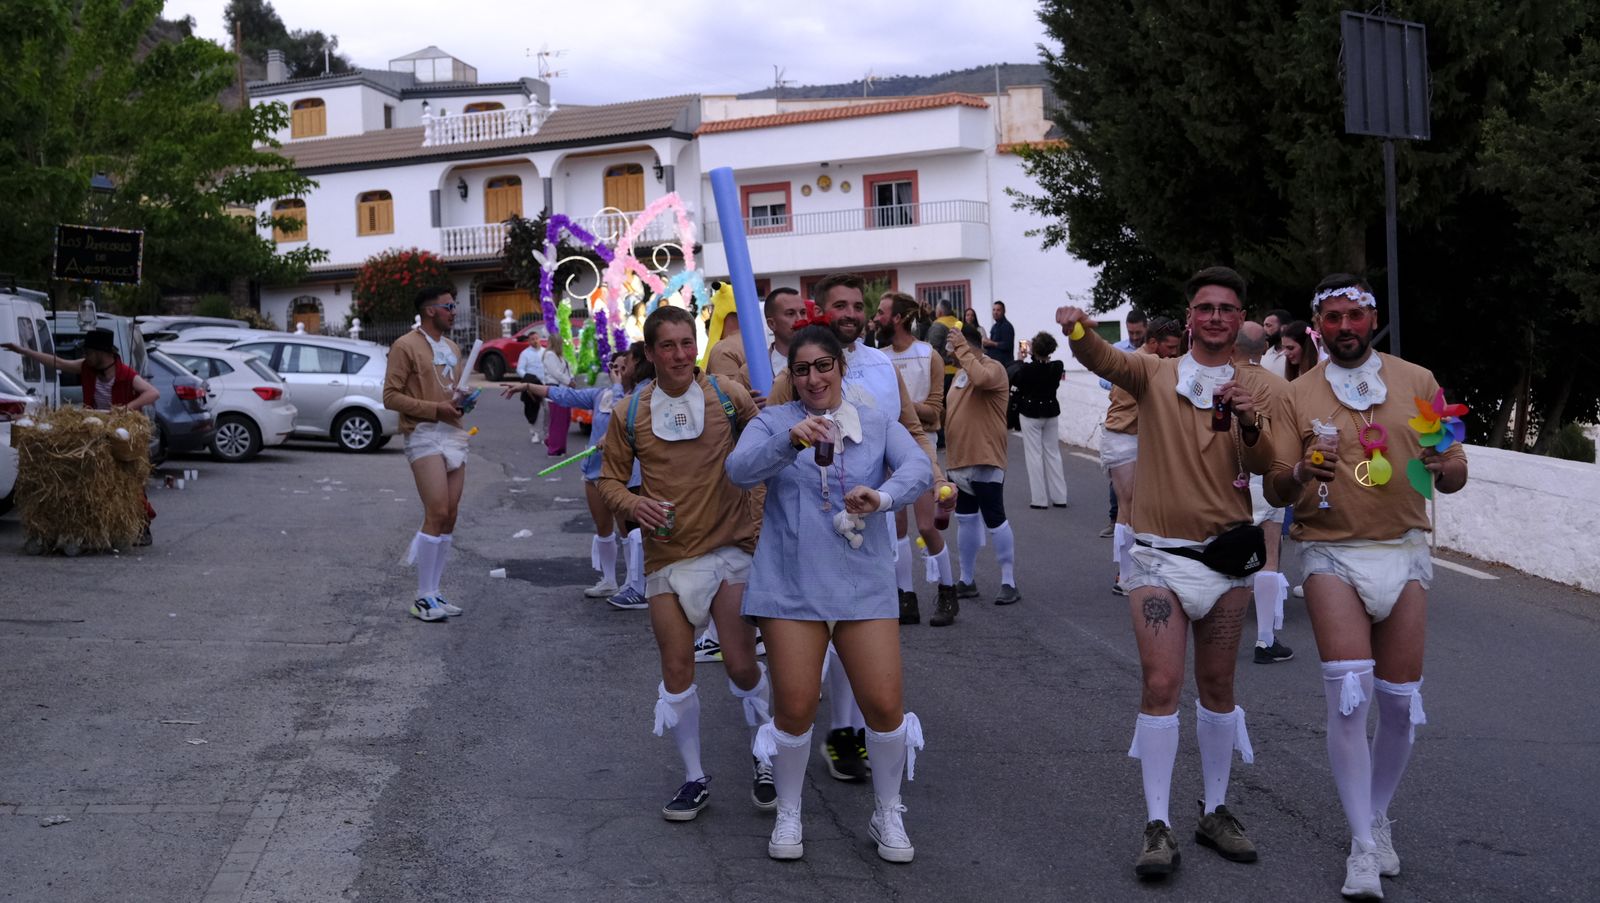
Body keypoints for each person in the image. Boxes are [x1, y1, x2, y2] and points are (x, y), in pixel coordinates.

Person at [1058, 266, 1274, 879]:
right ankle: (1158, 825)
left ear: (1239, 319)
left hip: (1226, 560)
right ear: (1189, 316)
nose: (1213, 317)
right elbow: (1104, 359)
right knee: (1161, 686)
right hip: (1157, 556)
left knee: (1219, 689)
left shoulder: (1257, 385)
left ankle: (1215, 810)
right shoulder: (1155, 373)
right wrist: (1077, 331)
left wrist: (1249, 418)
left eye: (1226, 309)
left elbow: (1266, 464)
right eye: (1203, 307)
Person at [1263, 275, 1468, 900]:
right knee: (1350, 699)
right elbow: (1274, 486)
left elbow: (1455, 470)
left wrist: (1445, 465)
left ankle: (1377, 818)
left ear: (1370, 318)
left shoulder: (1417, 380)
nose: (1344, 328)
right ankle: (1360, 846)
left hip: (1404, 553)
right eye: (1332, 319)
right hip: (1331, 552)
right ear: (1316, 325)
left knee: (1401, 706)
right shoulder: (1296, 395)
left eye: (1354, 316)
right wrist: (1299, 470)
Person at [727, 324, 932, 863]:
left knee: (885, 706)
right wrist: (789, 440)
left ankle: (888, 810)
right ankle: (790, 812)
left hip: (863, 583)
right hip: (790, 583)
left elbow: (917, 469)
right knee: (794, 708)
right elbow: (739, 472)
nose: (814, 378)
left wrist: (883, 498)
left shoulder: (875, 420)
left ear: (841, 366)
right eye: (801, 369)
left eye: (823, 366)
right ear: (790, 377)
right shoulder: (773, 420)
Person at [766, 274, 955, 771]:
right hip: (810, 529)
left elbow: (909, 432)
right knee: (819, 635)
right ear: (821, 313)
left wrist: (935, 481)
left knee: (859, 632)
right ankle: (825, 733)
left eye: (856, 306)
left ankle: (852, 729)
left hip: (876, 514)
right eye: (839, 306)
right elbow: (770, 442)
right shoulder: (798, 373)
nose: (849, 313)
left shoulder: (881, 366)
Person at [595, 305, 774, 821]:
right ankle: (694, 777)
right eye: (667, 346)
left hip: (729, 549)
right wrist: (633, 505)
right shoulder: (629, 412)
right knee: (677, 672)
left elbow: (765, 450)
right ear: (649, 354)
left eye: (685, 342)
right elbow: (608, 481)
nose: (679, 354)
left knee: (741, 666)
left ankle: (767, 753)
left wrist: (757, 523)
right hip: (666, 559)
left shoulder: (727, 394)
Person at [505, 344, 655, 607]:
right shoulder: (602, 395)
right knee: (603, 527)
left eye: (624, 366)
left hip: (625, 475)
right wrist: (528, 387)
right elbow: (564, 395)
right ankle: (610, 579)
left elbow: (624, 418)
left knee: (629, 530)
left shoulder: (643, 394)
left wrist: (619, 388)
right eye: (615, 368)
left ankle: (636, 584)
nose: (618, 372)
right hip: (595, 471)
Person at [4, 327, 160, 545]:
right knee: (93, 481)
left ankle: (143, 527)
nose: (85, 355)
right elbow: (56, 361)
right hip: (95, 430)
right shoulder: (86, 367)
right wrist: (23, 351)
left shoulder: (126, 374)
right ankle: (93, 527)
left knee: (131, 483)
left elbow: (153, 393)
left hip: (120, 433)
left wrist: (126, 409)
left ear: (101, 353)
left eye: (88, 351)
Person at [382, 287, 471, 622]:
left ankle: (434, 591)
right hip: (422, 434)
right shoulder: (405, 346)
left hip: (454, 434)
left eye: (454, 305)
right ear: (430, 310)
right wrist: (436, 409)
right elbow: (390, 396)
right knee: (436, 510)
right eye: (449, 306)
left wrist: (464, 400)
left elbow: (453, 391)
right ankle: (421, 597)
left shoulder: (452, 347)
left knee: (451, 514)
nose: (454, 311)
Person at [872, 292, 957, 626]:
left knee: (925, 524)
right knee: (897, 526)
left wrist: (900, 407)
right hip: (886, 447)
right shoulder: (876, 358)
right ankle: (905, 596)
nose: (874, 318)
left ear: (898, 319)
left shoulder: (928, 355)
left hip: (920, 444)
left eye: (880, 312)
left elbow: (935, 411)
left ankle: (948, 591)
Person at [1103, 317, 1184, 595]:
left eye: (1177, 347)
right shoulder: (1139, 364)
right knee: (1129, 507)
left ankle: (1134, 570)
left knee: (1140, 507)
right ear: (1152, 343)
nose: (1174, 353)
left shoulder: (1159, 363)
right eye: (1170, 347)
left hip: (1139, 438)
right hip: (1123, 437)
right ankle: (1124, 575)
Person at [944, 322, 1021, 605]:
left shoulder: (993, 368)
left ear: (966, 343)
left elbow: (982, 380)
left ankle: (1009, 581)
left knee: (995, 519)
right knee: (965, 521)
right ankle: (966, 579)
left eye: (951, 345)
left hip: (986, 459)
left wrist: (962, 346)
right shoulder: (960, 374)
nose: (948, 352)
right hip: (959, 462)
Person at [1233, 322, 1294, 664]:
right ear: (1262, 348)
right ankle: (1265, 640)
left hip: (1224, 477)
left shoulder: (1218, 377)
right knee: (1269, 556)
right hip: (1264, 475)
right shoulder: (1279, 386)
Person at [1101, 309, 1151, 539]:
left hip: (1144, 426)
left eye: (1138, 332)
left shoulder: (1153, 355)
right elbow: (1103, 379)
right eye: (1130, 332)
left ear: (1145, 328)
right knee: (1124, 492)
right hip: (1123, 423)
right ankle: (1115, 521)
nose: (1133, 336)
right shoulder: (1119, 349)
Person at [1011, 330, 1070, 510]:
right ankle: (1060, 497)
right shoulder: (1057, 367)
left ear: (1033, 349)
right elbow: (1045, 366)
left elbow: (1015, 378)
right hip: (1051, 412)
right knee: (1053, 453)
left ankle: (1039, 499)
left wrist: (1021, 358)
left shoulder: (1027, 369)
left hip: (1030, 412)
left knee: (1034, 455)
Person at [926, 301, 963, 448]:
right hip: (960, 371)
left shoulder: (937, 325)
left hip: (944, 371)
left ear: (940, 312)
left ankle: (941, 439)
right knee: (955, 407)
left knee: (940, 406)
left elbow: (932, 351)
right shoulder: (959, 324)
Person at [542, 333, 575, 457]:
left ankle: (559, 446)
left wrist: (571, 379)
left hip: (564, 391)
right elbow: (556, 373)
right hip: (555, 390)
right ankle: (554, 448)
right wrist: (569, 381)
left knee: (564, 420)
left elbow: (567, 371)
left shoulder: (560, 357)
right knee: (557, 421)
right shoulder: (549, 355)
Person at [513, 329, 547, 445]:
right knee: (532, 409)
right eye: (532, 339)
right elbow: (520, 369)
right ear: (528, 341)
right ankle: (535, 433)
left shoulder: (545, 352)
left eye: (536, 339)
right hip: (532, 385)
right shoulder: (525, 354)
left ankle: (546, 434)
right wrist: (528, 378)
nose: (535, 341)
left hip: (546, 384)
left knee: (548, 409)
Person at [764, 287, 806, 377]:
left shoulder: (827, 360)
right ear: (771, 324)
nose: (800, 319)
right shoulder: (753, 371)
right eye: (790, 313)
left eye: (803, 312)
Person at [1260, 308, 1294, 378]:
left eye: (1268, 325)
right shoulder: (1263, 356)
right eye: (1264, 325)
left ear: (1284, 328)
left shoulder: (1294, 355)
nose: (1264, 330)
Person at [982, 300, 1016, 367]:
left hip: (1004, 365)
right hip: (994, 364)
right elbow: (992, 344)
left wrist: (991, 343)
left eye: (998, 310)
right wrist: (985, 343)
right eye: (994, 310)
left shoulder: (1007, 326)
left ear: (1004, 311)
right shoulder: (994, 327)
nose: (995, 312)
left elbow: (1007, 345)